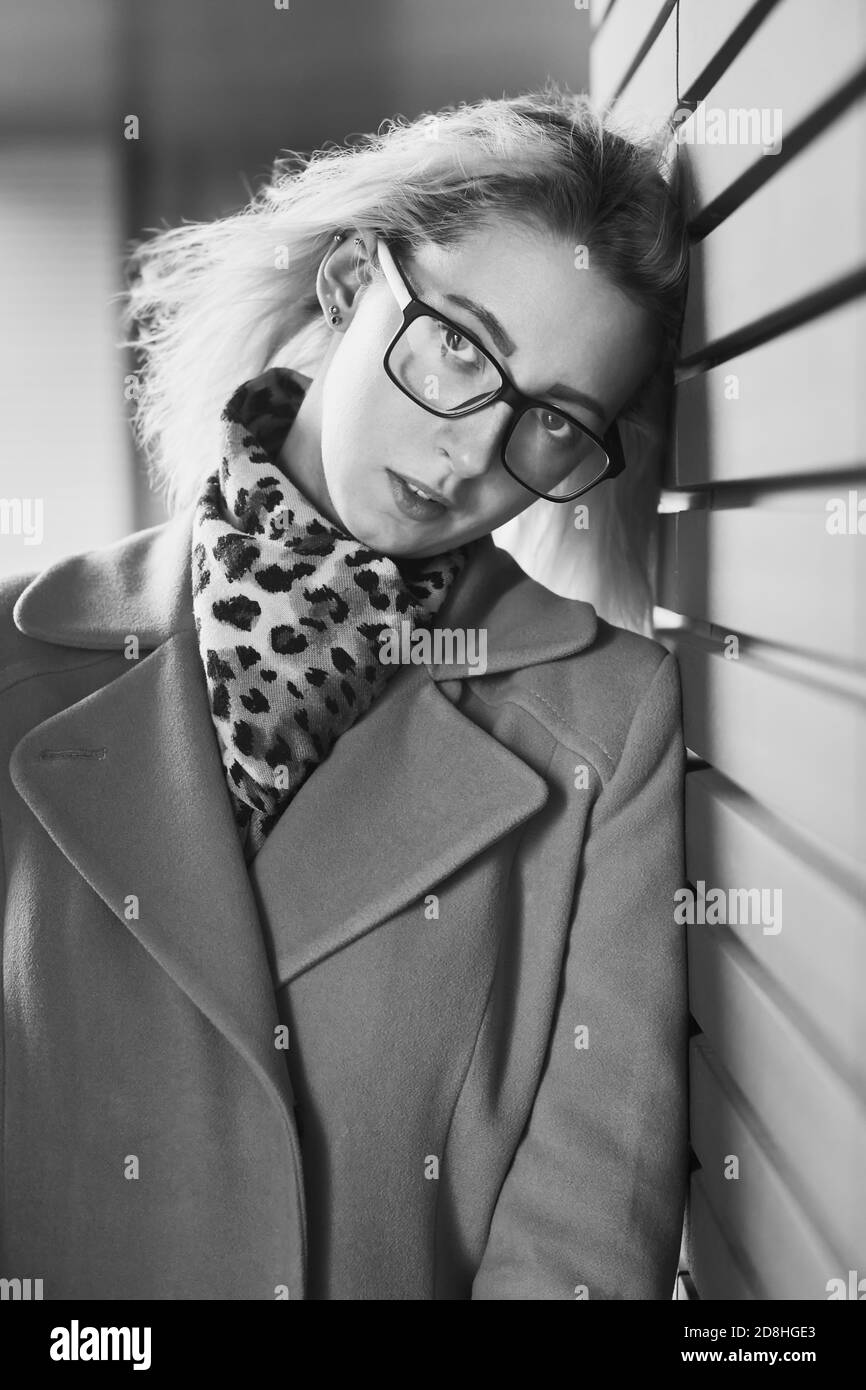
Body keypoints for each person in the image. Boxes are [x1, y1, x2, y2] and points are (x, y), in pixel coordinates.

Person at [0, 84, 690, 1300]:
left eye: (554, 422)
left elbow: (583, 1225)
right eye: (459, 346)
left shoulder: (605, 719)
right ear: (345, 286)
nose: (474, 449)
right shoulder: (15, 658)